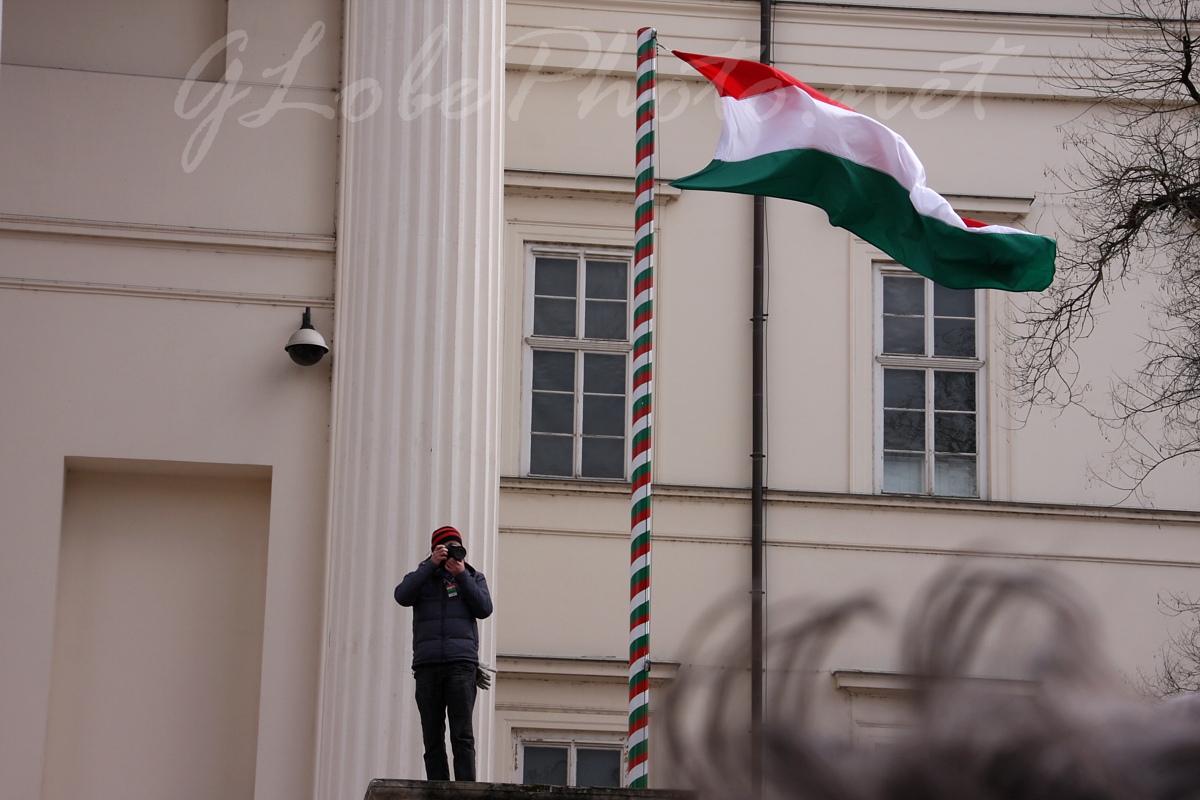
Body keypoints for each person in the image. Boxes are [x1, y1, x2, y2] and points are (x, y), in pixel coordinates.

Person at [394, 525, 493, 782]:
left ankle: (465, 789)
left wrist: (461, 576)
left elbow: (484, 608)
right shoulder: (423, 577)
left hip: (461, 665)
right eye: (445, 548)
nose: (452, 554)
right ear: (434, 550)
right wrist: (429, 565)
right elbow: (402, 596)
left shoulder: (473, 577)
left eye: (456, 548)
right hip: (427, 667)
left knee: (462, 734)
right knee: (432, 734)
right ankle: (438, 788)